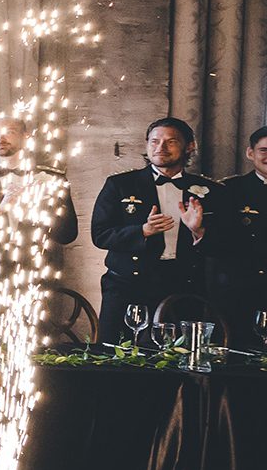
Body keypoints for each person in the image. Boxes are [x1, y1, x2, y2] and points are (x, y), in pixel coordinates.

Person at [92, 116, 220, 344]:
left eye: (171, 141)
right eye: (155, 141)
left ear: (189, 146)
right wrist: (142, 231)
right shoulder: (120, 184)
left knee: (176, 357)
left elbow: (226, 245)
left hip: (182, 285)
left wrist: (199, 231)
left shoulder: (210, 190)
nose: (161, 147)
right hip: (127, 285)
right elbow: (100, 234)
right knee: (115, 355)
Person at [0, 115, 78, 325]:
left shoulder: (52, 179)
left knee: (32, 342)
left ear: (26, 136)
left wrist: (43, 208)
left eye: (9, 132)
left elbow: (68, 234)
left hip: (33, 278)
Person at [212, 126, 267, 346]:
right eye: (264, 150)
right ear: (250, 153)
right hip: (240, 291)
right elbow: (219, 242)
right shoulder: (230, 190)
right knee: (237, 352)